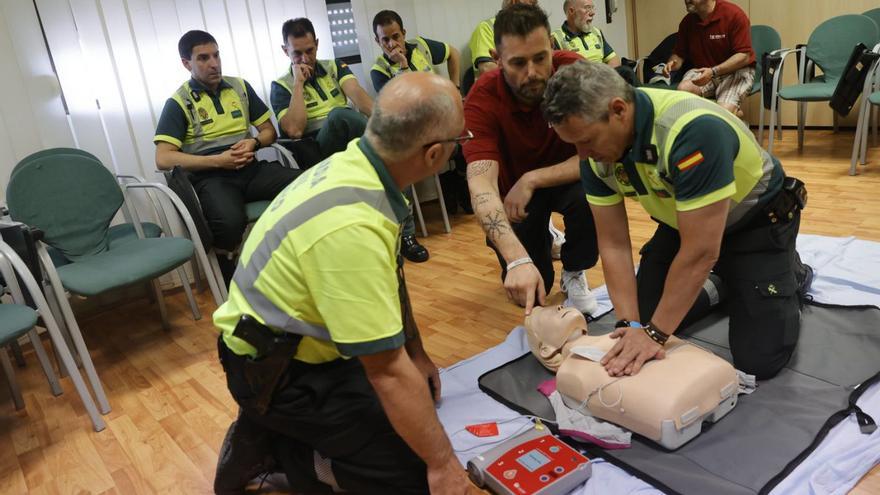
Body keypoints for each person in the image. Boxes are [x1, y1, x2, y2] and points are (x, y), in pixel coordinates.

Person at [212, 72, 474, 495]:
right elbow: (386, 373)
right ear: (435, 155)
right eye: (461, 141)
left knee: (410, 407)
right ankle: (279, 456)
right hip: (274, 372)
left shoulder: (360, 167)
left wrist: (416, 352)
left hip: (296, 346)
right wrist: (442, 466)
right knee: (410, 473)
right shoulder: (351, 221)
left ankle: (279, 432)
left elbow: (391, 277)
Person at [543, 61, 811, 380]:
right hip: (684, 221)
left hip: (754, 221)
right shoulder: (595, 156)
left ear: (618, 110)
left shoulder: (692, 131)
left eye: (586, 140)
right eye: (573, 143)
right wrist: (629, 326)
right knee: (643, 319)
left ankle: (789, 273)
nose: (582, 155)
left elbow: (700, 252)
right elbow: (613, 244)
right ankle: (725, 282)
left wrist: (655, 336)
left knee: (759, 360)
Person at [464, 4, 600, 316]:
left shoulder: (575, 73)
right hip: (514, 195)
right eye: (518, 63)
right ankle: (542, 240)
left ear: (552, 46)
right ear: (497, 59)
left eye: (540, 58)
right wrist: (517, 260)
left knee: (592, 193)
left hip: (567, 180)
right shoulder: (482, 98)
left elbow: (594, 154)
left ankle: (574, 271)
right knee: (533, 288)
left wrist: (533, 178)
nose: (533, 73)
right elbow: (480, 183)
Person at [154, 30, 301, 284]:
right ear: (186, 63)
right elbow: (163, 158)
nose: (214, 63)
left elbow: (269, 131)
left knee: (304, 185)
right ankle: (230, 273)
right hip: (212, 177)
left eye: (216, 55)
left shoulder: (239, 87)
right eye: (203, 58)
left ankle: (293, 260)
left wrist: (254, 142)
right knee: (228, 223)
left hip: (250, 169)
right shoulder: (179, 102)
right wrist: (217, 161)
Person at [370, 9, 463, 263]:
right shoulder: (378, 71)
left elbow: (453, 52)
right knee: (397, 166)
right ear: (377, 42)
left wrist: (454, 85)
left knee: (477, 135)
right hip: (412, 133)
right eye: (385, 40)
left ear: (404, 33)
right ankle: (408, 235)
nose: (392, 44)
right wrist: (402, 66)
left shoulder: (421, 45)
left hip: (443, 120)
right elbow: (402, 105)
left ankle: (468, 196)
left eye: (395, 36)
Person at [271, 18, 373, 165]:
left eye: (309, 51)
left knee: (348, 117)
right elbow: (295, 130)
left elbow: (358, 95)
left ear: (317, 44)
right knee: (338, 115)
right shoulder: (280, 85)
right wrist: (298, 83)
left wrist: (385, 122)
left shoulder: (334, 66)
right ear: (286, 51)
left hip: (347, 138)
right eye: (297, 53)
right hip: (315, 151)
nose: (305, 59)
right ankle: (385, 144)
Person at [663, 0, 755, 115]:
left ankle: (730, 113)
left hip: (735, 71)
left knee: (723, 113)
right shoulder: (687, 22)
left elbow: (744, 56)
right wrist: (672, 63)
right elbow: (679, 54)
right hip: (704, 71)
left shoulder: (734, 14)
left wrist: (713, 71)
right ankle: (734, 114)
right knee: (683, 90)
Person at [468, 0, 538, 79]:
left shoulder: (533, 27)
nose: (536, 6)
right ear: (514, 2)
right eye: (532, 3)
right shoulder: (486, 28)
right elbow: (487, 69)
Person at [550, 0, 620, 67]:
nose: (592, 13)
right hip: (578, 77)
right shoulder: (556, 38)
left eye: (592, 8)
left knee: (625, 71)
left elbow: (613, 59)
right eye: (587, 8)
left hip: (602, 76)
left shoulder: (596, 32)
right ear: (571, 11)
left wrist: (606, 76)